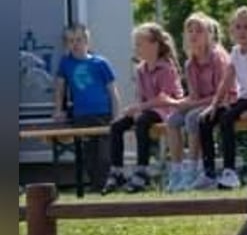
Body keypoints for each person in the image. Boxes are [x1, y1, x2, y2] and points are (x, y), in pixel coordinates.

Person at [197, 6, 247, 190]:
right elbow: (226, 81)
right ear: (232, 30)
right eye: (238, 27)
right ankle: (208, 171)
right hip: (243, 100)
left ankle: (230, 171)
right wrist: (213, 105)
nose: (242, 32)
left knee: (227, 119)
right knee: (205, 120)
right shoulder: (234, 52)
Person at [103, 22, 184, 194]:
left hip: (167, 109)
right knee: (117, 126)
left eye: (140, 44)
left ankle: (142, 170)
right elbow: (142, 96)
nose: (136, 48)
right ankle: (116, 170)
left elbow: (164, 98)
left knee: (142, 121)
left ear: (154, 45)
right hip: (149, 109)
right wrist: (136, 110)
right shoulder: (141, 69)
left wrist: (139, 108)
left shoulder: (166, 67)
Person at [164, 12, 233, 192]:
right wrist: (177, 102)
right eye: (190, 31)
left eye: (199, 31)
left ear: (210, 35)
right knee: (172, 120)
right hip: (203, 102)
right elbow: (194, 96)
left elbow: (222, 94)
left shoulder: (218, 57)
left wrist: (189, 105)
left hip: (222, 102)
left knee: (193, 118)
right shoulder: (190, 63)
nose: (193, 35)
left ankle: (193, 169)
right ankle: (176, 171)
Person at [53, 23, 121, 191]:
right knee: (89, 153)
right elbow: (60, 88)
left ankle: (106, 184)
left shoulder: (100, 63)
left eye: (78, 40)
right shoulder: (66, 63)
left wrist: (117, 115)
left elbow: (112, 91)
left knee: (105, 153)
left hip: (103, 114)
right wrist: (58, 109)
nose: (74, 44)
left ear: (87, 42)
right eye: (70, 41)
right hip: (82, 115)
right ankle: (95, 185)